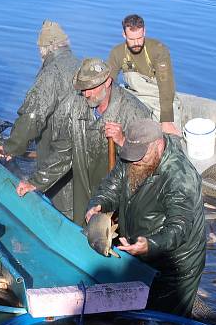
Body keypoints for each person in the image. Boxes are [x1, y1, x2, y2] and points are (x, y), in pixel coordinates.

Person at [86, 120, 206, 317]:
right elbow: (111, 187)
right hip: (139, 251)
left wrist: (150, 244)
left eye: (140, 156)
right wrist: (98, 204)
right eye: (131, 156)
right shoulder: (134, 156)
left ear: (158, 145)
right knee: (136, 315)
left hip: (175, 266)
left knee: (163, 324)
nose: (135, 162)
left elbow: (179, 227)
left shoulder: (180, 177)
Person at [16, 58, 153, 226]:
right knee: (82, 228)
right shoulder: (77, 104)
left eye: (91, 89)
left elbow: (149, 161)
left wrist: (123, 141)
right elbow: (63, 152)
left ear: (108, 82)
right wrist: (35, 182)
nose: (86, 94)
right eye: (83, 89)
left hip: (119, 195)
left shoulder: (135, 112)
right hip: (84, 190)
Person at [0, 20, 81, 219]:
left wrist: (12, 147)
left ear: (44, 49)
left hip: (58, 150)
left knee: (61, 202)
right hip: (83, 148)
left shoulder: (50, 74)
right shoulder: (80, 64)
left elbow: (31, 117)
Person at [107, 14, 181, 135]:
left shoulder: (159, 50)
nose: (136, 43)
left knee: (170, 135)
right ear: (124, 35)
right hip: (134, 96)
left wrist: (166, 120)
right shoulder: (117, 52)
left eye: (139, 38)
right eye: (131, 39)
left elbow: (166, 84)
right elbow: (109, 82)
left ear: (144, 32)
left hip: (159, 98)